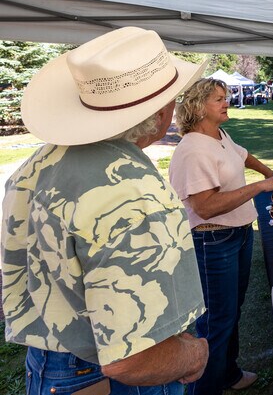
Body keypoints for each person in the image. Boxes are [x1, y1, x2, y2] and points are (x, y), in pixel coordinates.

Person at [1, 27, 209, 394]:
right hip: (105, 372)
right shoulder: (132, 194)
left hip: (51, 359)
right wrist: (193, 354)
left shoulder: (40, 161)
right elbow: (130, 360)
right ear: (161, 112)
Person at [169, 78, 273, 395]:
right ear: (199, 107)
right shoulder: (192, 149)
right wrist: (261, 186)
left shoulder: (219, 136)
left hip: (238, 234)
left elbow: (243, 155)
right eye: (218, 99)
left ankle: (227, 374)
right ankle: (206, 388)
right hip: (213, 241)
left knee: (231, 311)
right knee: (216, 322)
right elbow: (206, 207)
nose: (226, 102)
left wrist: (269, 174)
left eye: (225, 97)